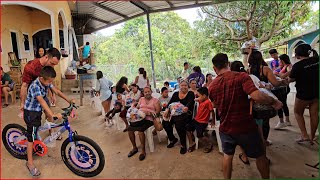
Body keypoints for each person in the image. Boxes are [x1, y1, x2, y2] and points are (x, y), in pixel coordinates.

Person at [209, 53, 282, 179]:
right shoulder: (241, 77)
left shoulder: (212, 86)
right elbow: (257, 96)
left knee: (227, 156)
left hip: (226, 127)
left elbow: (215, 105)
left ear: (215, 68)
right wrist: (274, 101)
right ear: (228, 64)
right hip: (245, 127)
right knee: (260, 155)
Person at [24, 66, 74, 176]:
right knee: (31, 137)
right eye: (49, 81)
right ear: (41, 78)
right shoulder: (35, 86)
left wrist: (68, 99)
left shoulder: (46, 81)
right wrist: (53, 115)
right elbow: (42, 102)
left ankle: (47, 132)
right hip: (31, 112)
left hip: (38, 109)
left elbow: (56, 91)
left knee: (44, 122)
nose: (50, 83)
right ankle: (30, 163)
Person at [248, 50, 288, 145]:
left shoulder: (248, 70)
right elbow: (275, 83)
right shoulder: (265, 69)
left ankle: (258, 140)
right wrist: (283, 81)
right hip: (265, 98)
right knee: (265, 121)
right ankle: (264, 140)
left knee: (257, 120)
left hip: (254, 99)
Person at [20, 48, 61, 137]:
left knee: (48, 112)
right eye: (52, 63)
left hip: (42, 94)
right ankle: (32, 137)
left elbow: (50, 81)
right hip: (33, 97)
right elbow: (24, 86)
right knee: (33, 121)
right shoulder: (31, 67)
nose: (53, 66)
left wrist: (52, 95)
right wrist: (22, 103)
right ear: (46, 57)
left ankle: (51, 132)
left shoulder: (48, 68)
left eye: (55, 65)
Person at [288, 43, 319, 144]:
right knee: (314, 114)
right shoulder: (317, 60)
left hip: (303, 94)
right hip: (317, 92)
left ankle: (304, 135)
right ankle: (312, 136)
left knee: (297, 112)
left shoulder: (297, 66)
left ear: (297, 55)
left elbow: (291, 79)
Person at [127, 87, 161, 161]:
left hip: (149, 120)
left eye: (149, 91)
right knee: (129, 129)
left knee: (140, 130)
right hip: (139, 118)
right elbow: (138, 107)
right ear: (143, 93)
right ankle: (134, 147)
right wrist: (134, 110)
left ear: (151, 92)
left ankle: (143, 151)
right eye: (145, 92)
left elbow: (158, 113)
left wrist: (148, 113)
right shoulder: (141, 99)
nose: (147, 93)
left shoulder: (155, 101)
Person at [163, 79, 195, 154]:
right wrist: (167, 110)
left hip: (186, 114)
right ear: (179, 86)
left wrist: (186, 107)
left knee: (179, 124)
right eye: (182, 85)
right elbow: (170, 103)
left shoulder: (190, 93)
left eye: (185, 85)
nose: (184, 87)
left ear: (188, 86)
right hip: (174, 114)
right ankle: (173, 139)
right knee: (165, 123)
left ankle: (183, 144)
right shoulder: (175, 94)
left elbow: (190, 102)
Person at [186, 87, 214, 153]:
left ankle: (209, 144)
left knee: (199, 136)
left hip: (202, 122)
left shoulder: (208, 102)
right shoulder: (202, 100)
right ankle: (192, 143)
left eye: (199, 96)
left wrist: (213, 121)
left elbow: (212, 111)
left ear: (204, 96)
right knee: (187, 128)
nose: (198, 97)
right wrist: (197, 97)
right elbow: (196, 99)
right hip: (196, 120)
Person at [273, 54, 292, 129]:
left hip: (283, 88)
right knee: (283, 104)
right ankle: (287, 120)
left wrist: (278, 74)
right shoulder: (283, 67)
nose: (278, 61)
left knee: (280, 104)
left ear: (282, 60)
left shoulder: (289, 66)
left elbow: (285, 76)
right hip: (282, 87)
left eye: (279, 60)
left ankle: (282, 122)